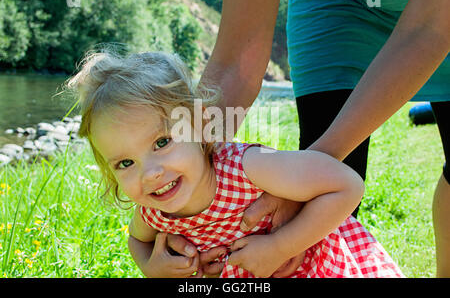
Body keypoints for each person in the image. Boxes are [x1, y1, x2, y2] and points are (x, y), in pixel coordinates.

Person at [65, 49, 404, 278]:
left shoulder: (249, 167)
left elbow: (346, 185)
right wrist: (151, 268)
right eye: (125, 162)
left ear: (199, 126)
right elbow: (137, 241)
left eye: (162, 142)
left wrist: (280, 246)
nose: (150, 173)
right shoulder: (153, 211)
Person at [192, 0, 450, 277]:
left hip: (440, 10)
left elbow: (429, 29)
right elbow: (235, 62)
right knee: (314, 220)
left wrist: (304, 177)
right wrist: (179, 172)